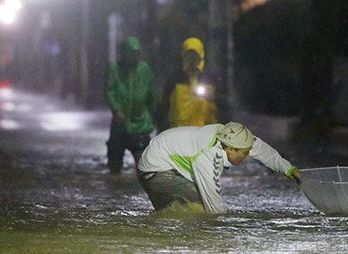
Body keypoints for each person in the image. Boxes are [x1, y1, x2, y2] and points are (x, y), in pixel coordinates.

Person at [136, 122, 301, 213]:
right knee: (199, 208)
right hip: (154, 172)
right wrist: (226, 230)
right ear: (230, 149)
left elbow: (264, 151)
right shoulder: (208, 156)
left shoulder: (233, 136)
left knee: (177, 211)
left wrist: (289, 169)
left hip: (169, 163)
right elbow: (214, 203)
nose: (246, 157)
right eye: (244, 154)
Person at [105, 36, 157, 174]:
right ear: (123, 53)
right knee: (114, 163)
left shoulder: (145, 70)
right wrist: (116, 110)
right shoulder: (114, 69)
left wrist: (151, 117)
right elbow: (110, 92)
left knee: (144, 166)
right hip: (120, 125)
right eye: (130, 53)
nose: (134, 56)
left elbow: (152, 96)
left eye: (136, 53)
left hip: (140, 124)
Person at [159, 37, 226, 130]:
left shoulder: (211, 80)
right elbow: (164, 108)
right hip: (179, 134)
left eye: (195, 55)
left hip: (205, 134)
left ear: (201, 56)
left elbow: (223, 107)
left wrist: (214, 98)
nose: (192, 59)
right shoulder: (175, 80)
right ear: (183, 56)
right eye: (188, 55)